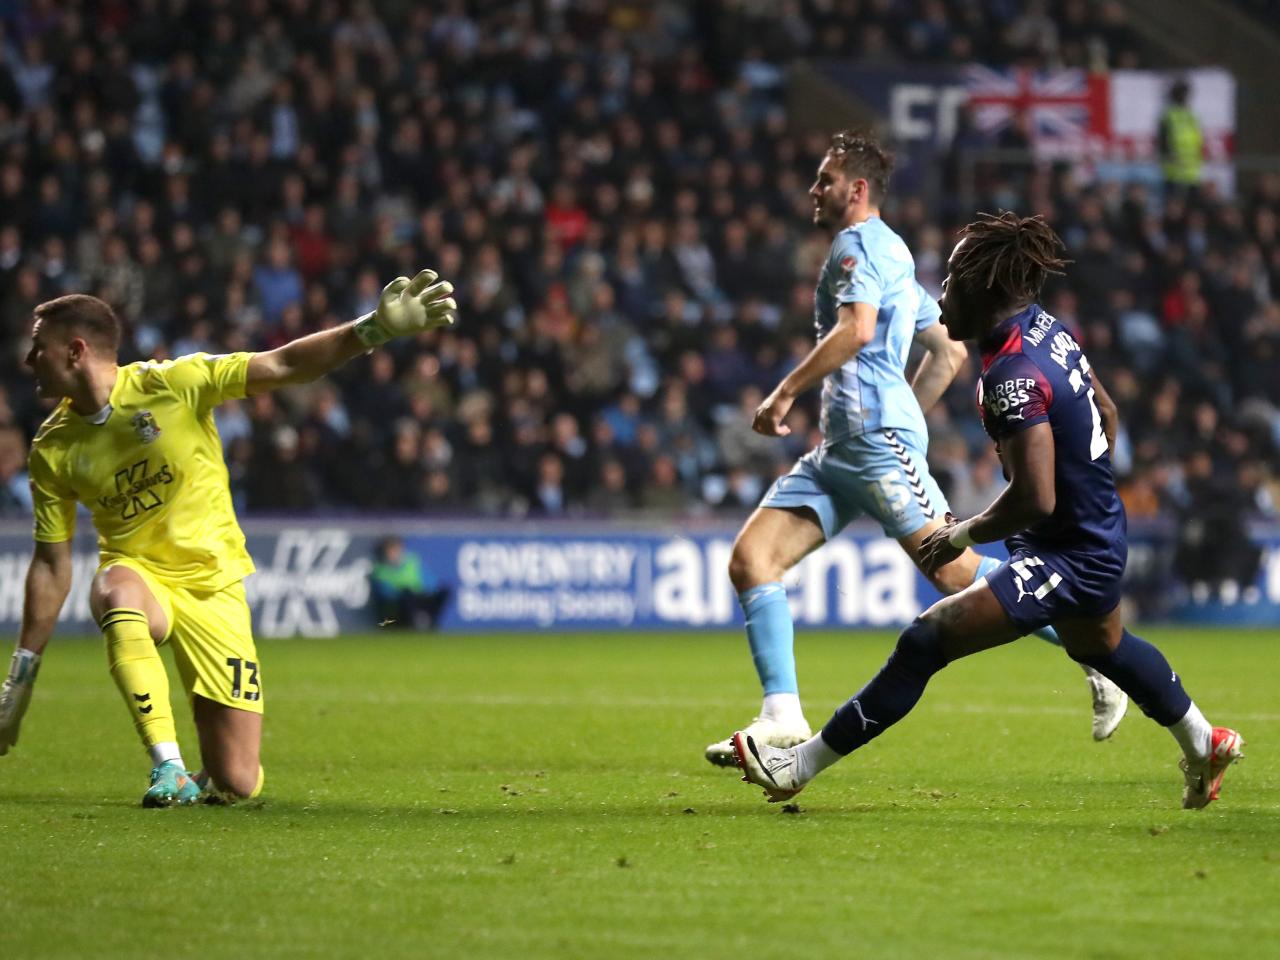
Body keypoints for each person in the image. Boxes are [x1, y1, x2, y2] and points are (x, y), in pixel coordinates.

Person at [733, 213, 1243, 809]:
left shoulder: (1012, 374)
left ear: (984, 289)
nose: (941, 294)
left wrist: (960, 535)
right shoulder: (1045, 329)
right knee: (1103, 648)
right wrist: (1090, 490)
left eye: (952, 282)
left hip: (1068, 554)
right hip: (1092, 535)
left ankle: (796, 765)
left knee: (925, 640)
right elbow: (1105, 412)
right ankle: (1205, 742)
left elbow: (1036, 498)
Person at [705, 131, 1126, 767]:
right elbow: (948, 350)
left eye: (825, 179)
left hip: (873, 443)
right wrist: (904, 415)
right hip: (842, 450)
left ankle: (1097, 657)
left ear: (857, 189)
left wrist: (787, 393)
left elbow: (857, 330)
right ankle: (782, 715)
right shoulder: (892, 251)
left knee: (953, 572)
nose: (815, 190)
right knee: (752, 560)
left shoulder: (856, 247)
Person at [0, 270, 457, 806]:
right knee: (117, 593)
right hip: (141, 574)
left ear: (76, 350)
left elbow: (283, 364)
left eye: (39, 347)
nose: (28, 360)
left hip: (214, 586)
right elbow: (52, 565)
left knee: (237, 781)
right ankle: (167, 766)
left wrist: (373, 328)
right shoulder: (52, 448)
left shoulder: (174, 383)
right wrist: (19, 680)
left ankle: (206, 768)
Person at [369, 535, 450, 630]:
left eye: (397, 550)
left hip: (418, 596)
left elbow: (429, 580)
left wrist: (429, 590)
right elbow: (385, 593)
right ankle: (413, 624)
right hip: (399, 603)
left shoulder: (412, 561)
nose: (395, 554)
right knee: (407, 595)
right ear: (385, 552)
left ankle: (431, 622)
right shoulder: (381, 571)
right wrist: (403, 591)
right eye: (391, 551)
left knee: (444, 591)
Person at [1157, 78, 1203, 202]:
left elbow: (1198, 140)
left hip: (1192, 169)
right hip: (1173, 170)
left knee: (1193, 205)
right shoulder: (1168, 115)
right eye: (1182, 94)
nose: (1185, 97)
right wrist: (1170, 157)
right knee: (1173, 205)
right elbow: (1162, 142)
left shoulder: (1192, 115)